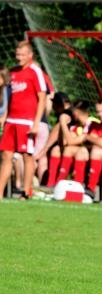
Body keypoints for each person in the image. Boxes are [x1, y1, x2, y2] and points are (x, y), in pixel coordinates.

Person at [0, 41, 47, 200]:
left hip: (26, 122)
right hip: (11, 121)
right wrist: (5, 116)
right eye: (17, 54)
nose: (19, 58)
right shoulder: (13, 72)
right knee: (6, 156)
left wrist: (36, 123)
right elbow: (11, 97)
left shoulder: (35, 72)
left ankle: (26, 192)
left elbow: (42, 98)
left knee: (28, 156)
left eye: (22, 55)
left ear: (30, 55)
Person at [55, 100, 101, 186]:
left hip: (95, 155)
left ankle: (77, 185)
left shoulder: (93, 123)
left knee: (80, 151)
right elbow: (64, 143)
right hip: (84, 153)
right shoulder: (78, 126)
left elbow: (70, 141)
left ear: (75, 112)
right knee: (59, 149)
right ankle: (57, 183)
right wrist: (62, 126)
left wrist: (63, 123)